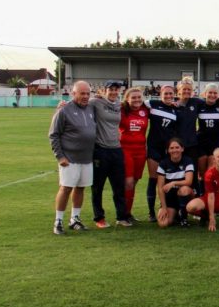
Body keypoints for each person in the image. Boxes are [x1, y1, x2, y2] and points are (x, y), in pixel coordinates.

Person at [49, 81, 97, 234]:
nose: (85, 96)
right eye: (82, 93)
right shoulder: (64, 110)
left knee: (81, 188)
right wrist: (60, 156)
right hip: (69, 158)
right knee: (66, 188)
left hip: (87, 158)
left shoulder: (90, 108)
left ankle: (74, 218)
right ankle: (58, 221)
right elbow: (53, 135)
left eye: (88, 93)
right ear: (73, 93)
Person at [90, 81, 132, 228]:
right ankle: (99, 218)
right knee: (98, 186)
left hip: (116, 149)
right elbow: (79, 103)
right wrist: (62, 106)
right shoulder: (95, 102)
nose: (114, 92)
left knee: (119, 186)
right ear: (104, 90)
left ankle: (121, 216)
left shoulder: (119, 105)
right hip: (100, 150)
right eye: (111, 89)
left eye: (116, 89)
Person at [145, 85, 178, 221]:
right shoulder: (152, 104)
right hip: (153, 148)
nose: (169, 96)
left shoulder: (176, 110)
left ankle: (165, 206)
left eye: (171, 94)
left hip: (167, 150)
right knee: (153, 180)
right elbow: (133, 103)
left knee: (167, 180)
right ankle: (151, 212)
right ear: (160, 93)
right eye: (166, 94)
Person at [119, 86, 149, 221]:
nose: (137, 100)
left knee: (134, 181)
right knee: (129, 182)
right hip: (126, 149)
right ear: (127, 99)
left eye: (139, 97)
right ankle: (123, 215)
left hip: (141, 150)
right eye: (133, 98)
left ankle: (128, 213)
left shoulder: (146, 110)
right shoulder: (121, 110)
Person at [155, 138, 195, 228]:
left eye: (177, 147)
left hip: (185, 194)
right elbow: (160, 188)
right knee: (163, 224)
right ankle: (176, 213)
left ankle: (184, 218)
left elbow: (188, 181)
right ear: (168, 150)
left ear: (182, 149)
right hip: (170, 199)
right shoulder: (163, 164)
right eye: (171, 148)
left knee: (184, 189)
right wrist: (164, 207)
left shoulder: (188, 161)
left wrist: (173, 183)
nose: (174, 150)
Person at [195, 83, 219, 181]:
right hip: (201, 142)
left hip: (216, 143)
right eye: (210, 92)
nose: (212, 95)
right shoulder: (200, 105)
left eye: (215, 93)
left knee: (210, 172)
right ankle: (201, 193)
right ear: (205, 93)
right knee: (201, 172)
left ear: (218, 95)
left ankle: (208, 193)